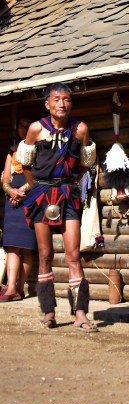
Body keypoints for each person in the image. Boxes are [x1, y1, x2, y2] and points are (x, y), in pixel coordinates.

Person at [17, 83, 98, 331]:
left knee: (73, 254)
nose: (61, 104)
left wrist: (70, 183)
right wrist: (37, 188)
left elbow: (85, 163)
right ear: (47, 104)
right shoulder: (36, 129)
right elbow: (26, 164)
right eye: (56, 99)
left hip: (68, 194)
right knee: (45, 255)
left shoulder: (80, 129)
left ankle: (80, 313)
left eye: (66, 100)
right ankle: (48, 311)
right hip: (42, 194)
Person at [0, 116, 37, 301]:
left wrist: (21, 191)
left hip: (31, 201)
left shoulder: (39, 150)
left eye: (27, 126)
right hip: (12, 202)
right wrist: (11, 191)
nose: (24, 129)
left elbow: (38, 177)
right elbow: (5, 180)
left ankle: (20, 289)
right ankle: (11, 288)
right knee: (12, 246)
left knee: (27, 247)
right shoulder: (12, 152)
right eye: (22, 126)